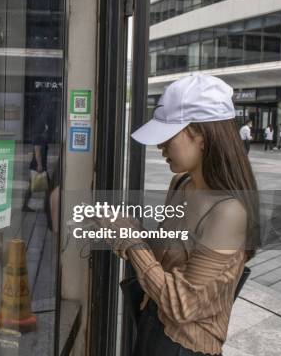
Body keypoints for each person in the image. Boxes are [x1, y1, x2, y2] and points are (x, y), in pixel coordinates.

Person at [102, 74, 259, 356]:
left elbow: (182, 304)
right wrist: (127, 231)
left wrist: (132, 243)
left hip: (186, 347)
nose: (160, 146)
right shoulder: (181, 184)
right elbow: (172, 257)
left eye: (167, 135)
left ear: (201, 134)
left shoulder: (228, 212)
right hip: (151, 326)